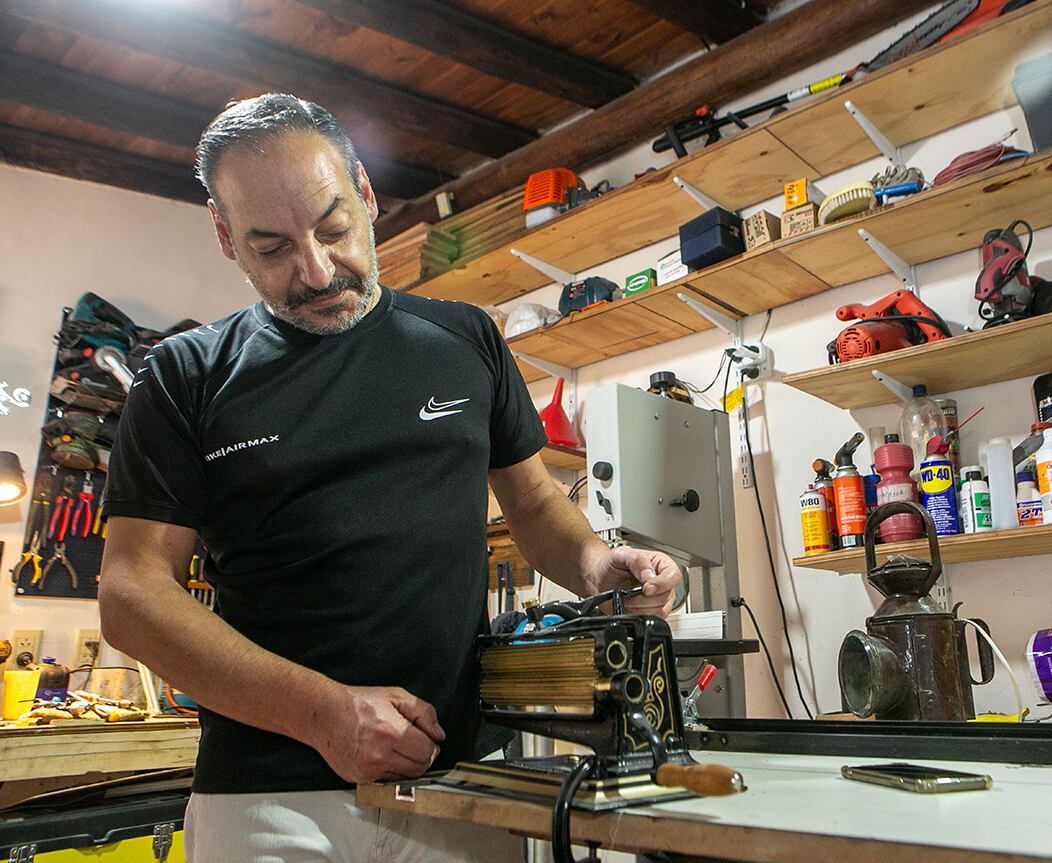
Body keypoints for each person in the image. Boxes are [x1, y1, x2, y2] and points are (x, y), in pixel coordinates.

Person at [98, 93, 682, 863]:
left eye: (334, 229)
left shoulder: (464, 340)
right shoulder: (186, 375)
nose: (314, 269)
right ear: (223, 234)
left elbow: (536, 501)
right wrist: (321, 715)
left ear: (367, 194)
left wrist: (596, 565)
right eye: (271, 248)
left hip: (458, 783)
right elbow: (132, 595)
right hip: (269, 801)